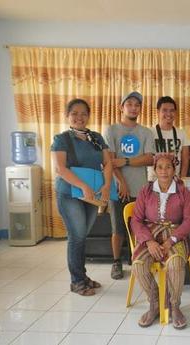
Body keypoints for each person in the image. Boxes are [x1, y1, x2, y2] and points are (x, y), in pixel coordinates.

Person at [51, 98, 112, 296]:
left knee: (82, 236)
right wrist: (83, 185)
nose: (79, 117)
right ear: (67, 116)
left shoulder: (96, 137)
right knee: (76, 237)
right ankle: (77, 281)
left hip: (92, 195)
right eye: (74, 113)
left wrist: (106, 186)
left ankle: (82, 276)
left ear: (88, 116)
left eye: (83, 113)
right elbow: (60, 169)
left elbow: (108, 163)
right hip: (70, 193)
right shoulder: (62, 139)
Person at [131, 153, 190, 329]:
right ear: (155, 170)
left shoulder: (183, 191)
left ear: (174, 170)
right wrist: (149, 242)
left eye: (168, 167)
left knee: (175, 263)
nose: (164, 171)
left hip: (176, 234)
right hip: (150, 234)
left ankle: (174, 306)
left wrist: (171, 240)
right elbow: (136, 219)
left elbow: (189, 220)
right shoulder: (146, 190)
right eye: (160, 167)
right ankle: (155, 303)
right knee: (138, 264)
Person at [104, 91, 154, 279]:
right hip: (118, 189)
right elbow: (110, 160)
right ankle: (116, 262)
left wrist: (124, 161)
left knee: (138, 226)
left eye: (137, 105)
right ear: (121, 107)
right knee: (117, 228)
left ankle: (137, 259)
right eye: (129, 104)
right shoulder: (111, 130)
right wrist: (121, 182)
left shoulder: (145, 132)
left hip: (140, 189)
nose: (133, 108)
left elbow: (149, 159)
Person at [150, 96, 189, 178]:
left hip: (174, 180)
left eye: (172, 111)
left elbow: (185, 161)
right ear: (158, 112)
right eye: (164, 110)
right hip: (153, 181)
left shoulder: (182, 133)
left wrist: (181, 180)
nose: (168, 114)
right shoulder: (149, 133)